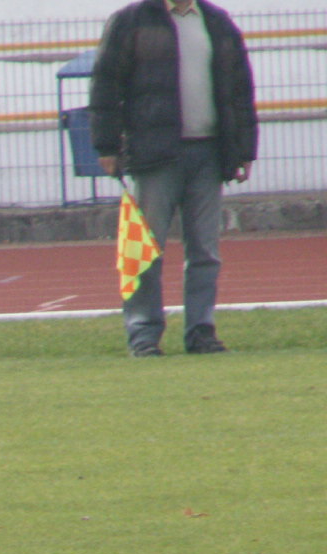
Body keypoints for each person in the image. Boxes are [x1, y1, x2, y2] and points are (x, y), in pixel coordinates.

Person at [89, 0, 257, 357]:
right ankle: (144, 336)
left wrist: (244, 150)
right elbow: (105, 83)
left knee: (205, 251)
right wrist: (106, 144)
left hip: (209, 154)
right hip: (155, 155)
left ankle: (201, 333)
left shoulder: (217, 21)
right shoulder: (131, 21)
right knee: (146, 251)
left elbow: (240, 89)